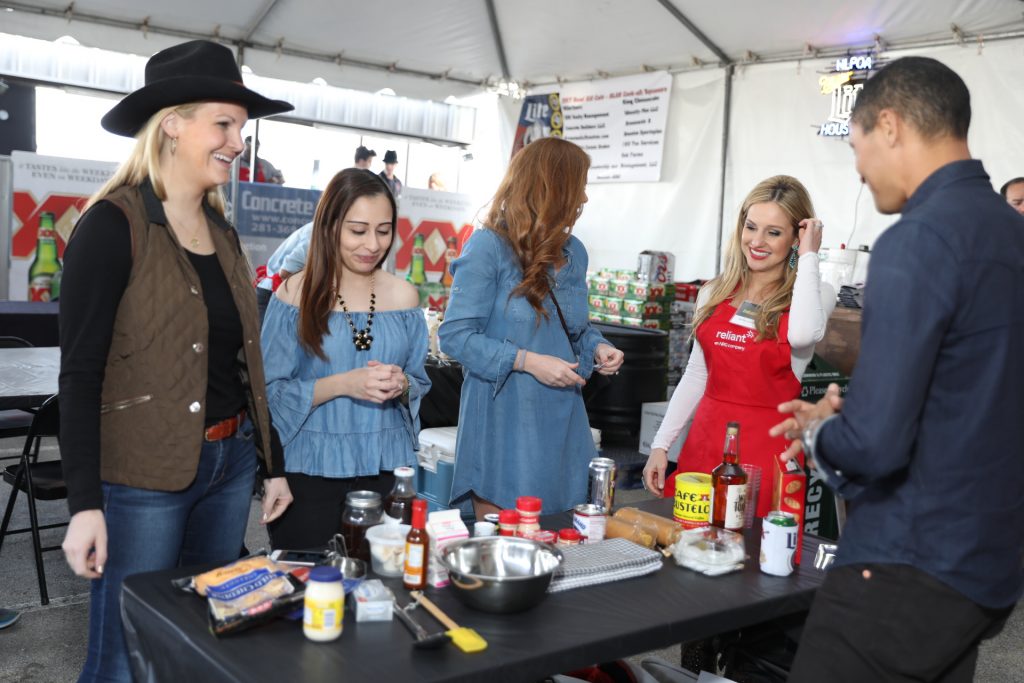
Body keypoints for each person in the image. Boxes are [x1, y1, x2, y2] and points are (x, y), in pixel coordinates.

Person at [769, 56, 1024, 682]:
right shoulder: (1010, 234)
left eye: (856, 147)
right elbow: (974, 391)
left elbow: (876, 447)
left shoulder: (917, 240)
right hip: (986, 565)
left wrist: (820, 432)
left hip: (908, 560)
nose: (858, 169)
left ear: (889, 126)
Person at [58, 40, 294, 683]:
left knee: (197, 646)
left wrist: (269, 464)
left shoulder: (224, 234)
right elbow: (78, 375)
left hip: (228, 465)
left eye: (241, 128)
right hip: (140, 479)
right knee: (122, 656)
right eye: (223, 124)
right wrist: (84, 504)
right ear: (172, 124)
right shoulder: (111, 225)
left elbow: (245, 361)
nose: (237, 141)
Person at [438, 137, 624, 519]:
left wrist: (597, 346)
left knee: (567, 539)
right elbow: (454, 337)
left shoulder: (574, 253)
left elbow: (574, 330)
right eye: (579, 185)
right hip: (502, 420)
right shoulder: (488, 248)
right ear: (551, 187)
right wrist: (526, 361)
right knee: (507, 543)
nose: (584, 199)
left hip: (563, 423)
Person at [642, 176, 834, 517]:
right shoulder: (713, 291)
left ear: (796, 237)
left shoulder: (815, 294)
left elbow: (803, 335)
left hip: (766, 454)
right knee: (685, 552)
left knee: (753, 560)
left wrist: (808, 257)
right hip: (704, 444)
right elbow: (696, 375)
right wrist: (661, 445)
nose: (757, 242)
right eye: (751, 227)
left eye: (774, 232)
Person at [260, 168, 430, 548]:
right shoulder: (293, 295)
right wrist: (344, 384)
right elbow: (268, 394)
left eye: (383, 231)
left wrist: (402, 384)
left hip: (385, 466)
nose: (372, 244)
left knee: (379, 588)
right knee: (308, 589)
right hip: (309, 469)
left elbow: (419, 381)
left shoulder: (404, 298)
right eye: (358, 230)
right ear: (329, 225)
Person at [255, 220, 312, 323]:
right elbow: (285, 272)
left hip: (275, 294)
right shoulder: (318, 234)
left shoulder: (318, 230)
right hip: (272, 295)